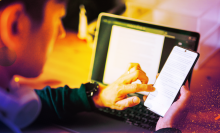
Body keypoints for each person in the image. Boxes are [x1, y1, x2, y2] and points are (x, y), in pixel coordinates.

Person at [0, 0, 191, 132]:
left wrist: (98, 96)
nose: (61, 33)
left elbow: (34, 104)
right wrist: (167, 130)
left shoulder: (8, 99)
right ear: (16, 24)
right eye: (58, 17)